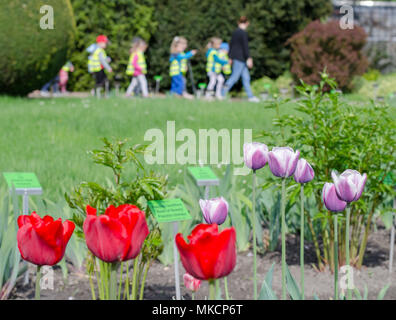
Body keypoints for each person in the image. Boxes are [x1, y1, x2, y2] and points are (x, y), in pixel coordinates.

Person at [222, 16, 260, 102]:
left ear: (238, 23)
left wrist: (230, 57)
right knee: (234, 77)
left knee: (246, 78)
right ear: (247, 23)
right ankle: (222, 94)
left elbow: (231, 46)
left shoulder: (235, 32)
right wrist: (249, 58)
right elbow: (245, 47)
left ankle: (250, 96)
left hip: (237, 58)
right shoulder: (243, 33)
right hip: (240, 58)